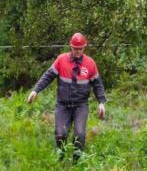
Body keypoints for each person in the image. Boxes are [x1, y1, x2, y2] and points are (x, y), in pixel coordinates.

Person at [27, 33, 107, 162]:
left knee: (79, 134)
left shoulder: (90, 63)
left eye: (80, 48)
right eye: (76, 48)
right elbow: (48, 76)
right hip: (63, 105)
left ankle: (77, 162)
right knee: (60, 134)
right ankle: (61, 158)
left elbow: (98, 85)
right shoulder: (61, 60)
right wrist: (36, 90)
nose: (78, 51)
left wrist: (101, 102)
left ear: (84, 47)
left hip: (81, 106)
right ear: (71, 46)